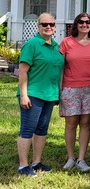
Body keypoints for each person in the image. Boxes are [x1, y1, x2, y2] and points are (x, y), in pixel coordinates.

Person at [16, 13, 64, 177]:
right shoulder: (32, 44)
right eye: (44, 24)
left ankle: (36, 162)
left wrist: (56, 93)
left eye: (51, 24)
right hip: (33, 94)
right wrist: (24, 95)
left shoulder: (56, 46)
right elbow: (23, 71)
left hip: (49, 95)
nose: (48, 27)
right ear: (38, 26)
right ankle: (23, 166)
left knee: (42, 129)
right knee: (27, 129)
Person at [59, 13, 90, 172]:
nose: (85, 25)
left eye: (88, 22)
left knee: (85, 123)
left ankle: (81, 159)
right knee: (71, 123)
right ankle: (70, 158)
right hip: (70, 88)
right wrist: (59, 88)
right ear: (76, 24)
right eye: (81, 22)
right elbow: (60, 67)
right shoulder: (66, 43)